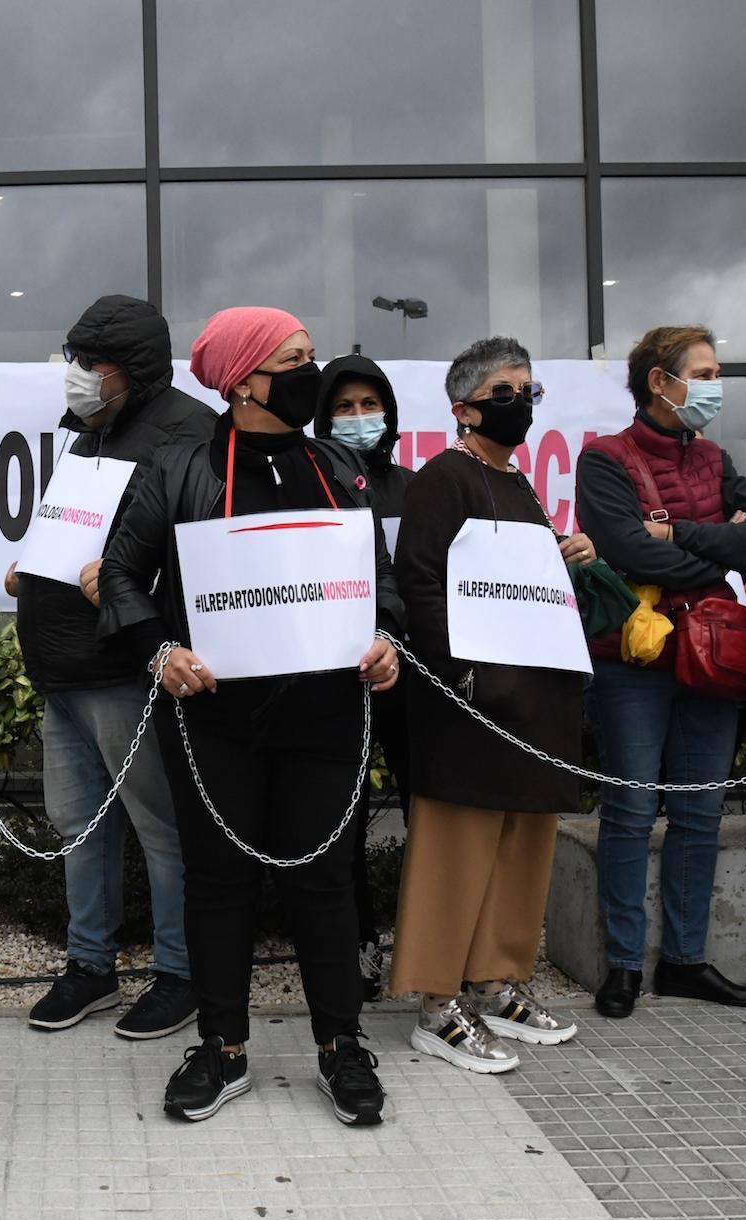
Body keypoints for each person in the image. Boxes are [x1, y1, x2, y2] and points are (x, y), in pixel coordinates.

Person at [100, 306, 400, 1127]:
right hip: (214, 717)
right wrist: (160, 651)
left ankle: (342, 1044)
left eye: (309, 353)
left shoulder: (340, 465)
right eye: (292, 357)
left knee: (325, 882)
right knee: (219, 881)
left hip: (326, 713)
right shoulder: (177, 465)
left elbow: (383, 581)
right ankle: (222, 1046)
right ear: (241, 377)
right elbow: (122, 576)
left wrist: (386, 640)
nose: (312, 369)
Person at [9, 295, 213, 1040]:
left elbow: (204, 547)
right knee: (80, 827)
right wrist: (30, 568)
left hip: (124, 665)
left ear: (133, 369)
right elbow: (77, 531)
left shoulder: (188, 430)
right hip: (62, 667)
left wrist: (145, 591)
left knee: (160, 828)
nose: (77, 377)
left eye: (92, 364)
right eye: (75, 361)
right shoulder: (90, 433)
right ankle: (90, 966)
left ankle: (180, 973)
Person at [390, 335, 591, 1073]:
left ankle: (500, 979)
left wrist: (560, 555)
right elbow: (420, 586)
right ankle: (437, 1002)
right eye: (505, 390)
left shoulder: (522, 485)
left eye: (527, 390)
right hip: (471, 707)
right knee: (458, 851)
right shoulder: (443, 479)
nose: (519, 403)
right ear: (464, 407)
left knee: (524, 847)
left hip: (535, 704)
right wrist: (463, 680)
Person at [575, 326, 746, 1018]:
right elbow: (630, 552)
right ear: (660, 382)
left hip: (716, 652)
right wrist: (725, 553)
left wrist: (686, 536)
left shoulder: (717, 458)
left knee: (699, 808)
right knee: (631, 808)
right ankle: (625, 964)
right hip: (635, 661)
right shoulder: (604, 459)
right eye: (706, 371)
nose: (716, 384)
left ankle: (685, 962)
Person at [314, 355, 413, 1001]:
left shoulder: (415, 486)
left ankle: (430, 942)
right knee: (341, 821)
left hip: (410, 676)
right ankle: (357, 946)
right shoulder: (312, 486)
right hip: (335, 676)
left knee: (426, 812)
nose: (358, 418)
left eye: (368, 405)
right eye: (344, 407)